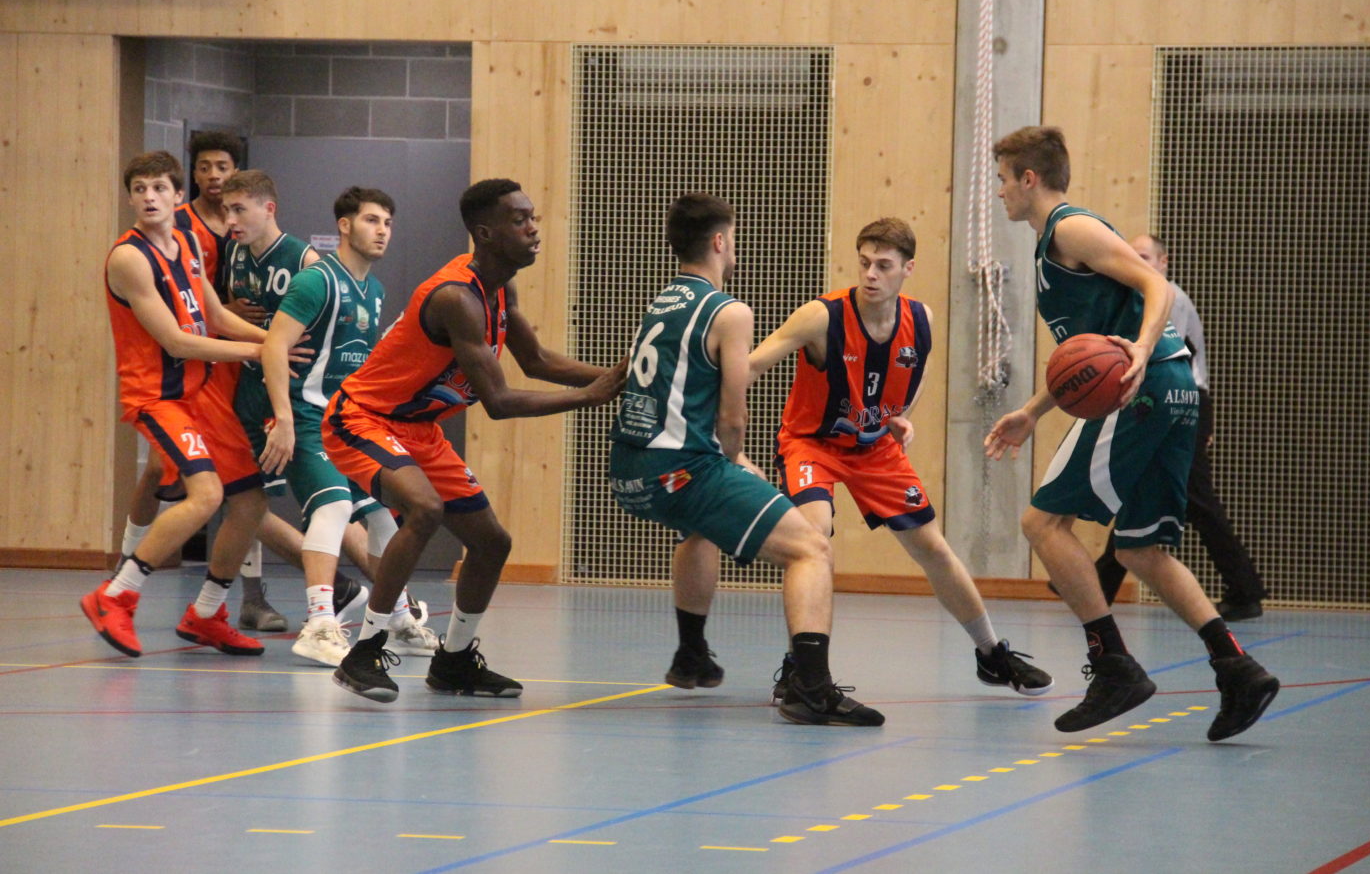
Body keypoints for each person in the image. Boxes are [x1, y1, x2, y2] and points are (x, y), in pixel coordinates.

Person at [983, 126, 1279, 742]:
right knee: (1141, 551)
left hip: (1141, 386)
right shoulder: (1052, 243)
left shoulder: (1070, 227)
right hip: (1170, 388)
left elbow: (1156, 285)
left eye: (1003, 179)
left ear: (1029, 179)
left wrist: (1141, 348)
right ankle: (1237, 668)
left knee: (1042, 524)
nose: (1000, 191)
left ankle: (1113, 664)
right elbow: (1082, 359)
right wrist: (1033, 411)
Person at [323, 177, 626, 703]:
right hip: (364, 417)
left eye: (533, 217)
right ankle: (363, 652)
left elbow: (537, 361)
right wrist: (589, 397)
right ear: (485, 233)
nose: (533, 229)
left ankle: (455, 661)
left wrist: (622, 376)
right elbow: (500, 402)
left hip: (418, 428)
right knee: (425, 508)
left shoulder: (499, 289)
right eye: (519, 219)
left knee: (492, 543)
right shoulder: (455, 298)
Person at [748, 217, 1053, 701]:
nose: (871, 274)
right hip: (813, 444)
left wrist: (901, 415)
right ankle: (800, 670)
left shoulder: (920, 319)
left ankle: (991, 653)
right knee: (814, 540)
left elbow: (916, 368)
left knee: (933, 547)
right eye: (865, 263)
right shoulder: (821, 316)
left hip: (874, 446)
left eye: (884, 266)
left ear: (908, 269)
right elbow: (748, 367)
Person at [609, 193, 884, 727]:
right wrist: (734, 460)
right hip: (681, 470)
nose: (733, 249)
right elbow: (733, 416)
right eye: (732, 239)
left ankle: (691, 655)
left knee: (703, 527)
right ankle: (812, 688)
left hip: (628, 470)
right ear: (719, 242)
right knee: (811, 547)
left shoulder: (661, 302)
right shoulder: (729, 311)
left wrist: (732, 463)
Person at [81, 151, 269, 658]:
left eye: (159, 188)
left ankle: (206, 614)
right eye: (140, 189)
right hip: (158, 396)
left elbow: (216, 316)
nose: (149, 197)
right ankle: (115, 595)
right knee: (206, 496)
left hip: (200, 391)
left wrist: (275, 341)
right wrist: (258, 352)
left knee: (250, 502)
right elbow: (177, 341)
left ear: (177, 196)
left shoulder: (186, 242)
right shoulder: (129, 258)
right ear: (130, 199)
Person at [260, 187, 412, 666]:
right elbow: (273, 346)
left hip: (349, 421)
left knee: (384, 516)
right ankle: (320, 624)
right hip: (306, 416)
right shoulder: (316, 281)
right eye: (371, 220)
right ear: (344, 226)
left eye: (387, 222)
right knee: (334, 505)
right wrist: (283, 419)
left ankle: (399, 619)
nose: (382, 230)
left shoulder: (376, 291)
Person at [1090, 235, 1268, 621]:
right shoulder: (1142, 299)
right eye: (1131, 256)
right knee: (1134, 489)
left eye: (1143, 256)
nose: (1136, 262)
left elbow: (1178, 364)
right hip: (1166, 401)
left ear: (1163, 262)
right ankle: (1099, 585)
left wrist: (1196, 422)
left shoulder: (1170, 298)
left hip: (1181, 402)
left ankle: (1245, 590)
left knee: (1198, 500)